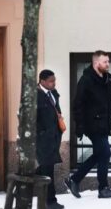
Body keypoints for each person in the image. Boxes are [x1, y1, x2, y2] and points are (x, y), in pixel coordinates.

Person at [65, 50, 111, 199]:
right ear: (96, 63)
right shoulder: (86, 80)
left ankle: (75, 179)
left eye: (108, 62)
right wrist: (79, 126)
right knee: (105, 153)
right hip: (92, 124)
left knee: (100, 153)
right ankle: (103, 188)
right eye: (105, 62)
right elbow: (77, 104)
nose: (108, 64)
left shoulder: (108, 80)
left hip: (104, 123)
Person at [36, 69, 64, 209]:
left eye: (54, 80)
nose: (54, 83)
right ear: (42, 81)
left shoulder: (53, 93)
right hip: (43, 140)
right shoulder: (36, 95)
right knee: (47, 170)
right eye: (51, 81)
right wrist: (42, 133)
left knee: (44, 169)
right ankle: (50, 201)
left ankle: (22, 190)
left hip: (53, 138)